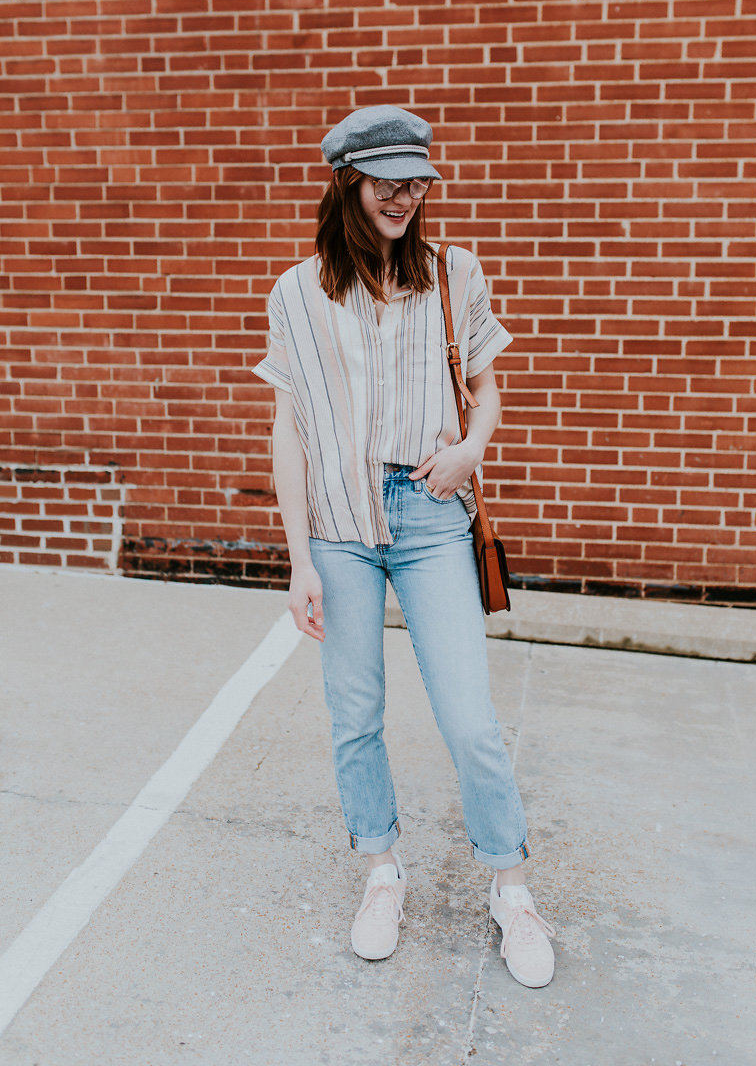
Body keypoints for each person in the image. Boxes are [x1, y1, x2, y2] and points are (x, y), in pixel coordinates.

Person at [250, 105, 556, 988]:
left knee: (471, 721)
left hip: (429, 520)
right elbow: (289, 428)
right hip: (340, 529)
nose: (405, 195)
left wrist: (469, 452)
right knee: (355, 715)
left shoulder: (455, 274)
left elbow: (487, 391)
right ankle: (383, 871)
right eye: (387, 179)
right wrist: (299, 557)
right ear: (347, 179)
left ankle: (511, 887)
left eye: (418, 179)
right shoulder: (295, 294)